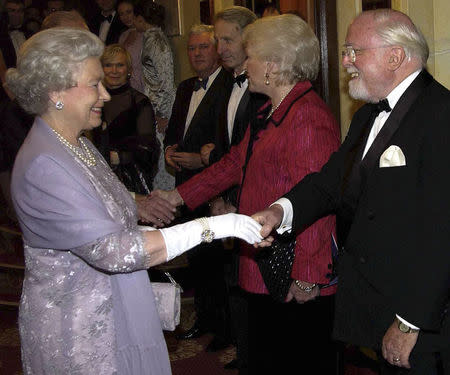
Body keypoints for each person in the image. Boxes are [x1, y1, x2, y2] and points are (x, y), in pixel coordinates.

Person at [6, 27, 263, 375]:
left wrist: (137, 202)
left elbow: (96, 194)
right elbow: (116, 251)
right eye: (93, 84)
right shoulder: (44, 164)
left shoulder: (74, 142)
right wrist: (212, 227)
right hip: (78, 331)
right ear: (55, 91)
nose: (105, 95)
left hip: (106, 310)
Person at [252, 9, 450, 375]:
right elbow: (329, 183)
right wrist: (280, 211)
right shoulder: (364, 116)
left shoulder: (441, 115)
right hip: (375, 301)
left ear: (394, 56)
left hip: (421, 316)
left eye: (353, 50)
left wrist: (410, 322)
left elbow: (443, 235)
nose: (345, 61)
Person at [154, 14, 341, 374]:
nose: (244, 62)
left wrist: (307, 276)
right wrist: (176, 198)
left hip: (293, 274)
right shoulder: (271, 111)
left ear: (272, 65)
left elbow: (318, 200)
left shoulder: (306, 117)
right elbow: (232, 164)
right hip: (266, 264)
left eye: (251, 55)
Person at [163, 23, 233, 351]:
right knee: (197, 258)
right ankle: (205, 319)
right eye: (192, 49)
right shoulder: (185, 87)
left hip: (213, 189)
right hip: (184, 186)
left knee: (216, 262)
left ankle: (223, 329)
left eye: (203, 47)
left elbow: (227, 143)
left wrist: (200, 161)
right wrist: (170, 150)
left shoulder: (229, 85)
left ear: (217, 49)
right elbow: (175, 131)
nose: (197, 53)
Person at [93, 43, 159, 194]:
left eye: (120, 65)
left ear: (129, 70)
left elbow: (149, 150)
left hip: (130, 181)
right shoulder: (91, 100)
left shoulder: (140, 102)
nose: (114, 71)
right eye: (108, 65)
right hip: (95, 180)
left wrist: (120, 158)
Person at [133, 0, 176, 190]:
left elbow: (166, 80)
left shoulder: (157, 41)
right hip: (155, 106)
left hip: (161, 108)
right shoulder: (151, 38)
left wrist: (164, 114)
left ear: (140, 19)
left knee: (162, 158)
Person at [117, 0, 144, 93]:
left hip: (143, 84)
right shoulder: (123, 36)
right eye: (121, 14)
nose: (125, 17)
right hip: (126, 85)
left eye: (128, 12)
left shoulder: (145, 34)